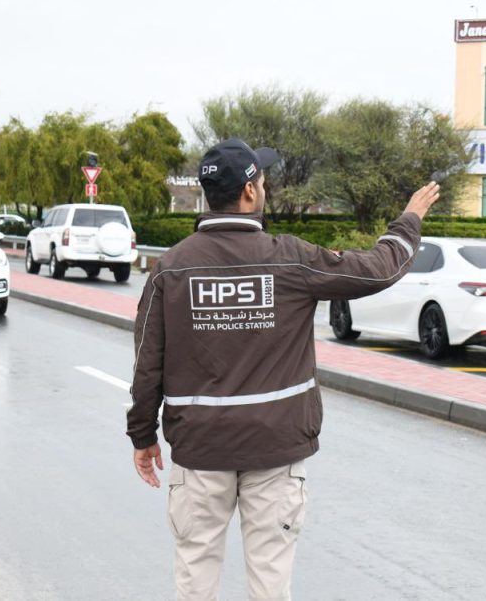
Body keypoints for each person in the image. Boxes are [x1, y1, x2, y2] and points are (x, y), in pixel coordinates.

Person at [127, 138, 439, 601]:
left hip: (199, 449)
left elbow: (147, 360)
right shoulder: (290, 259)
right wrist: (409, 219)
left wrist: (142, 434)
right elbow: (376, 269)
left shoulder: (171, 268)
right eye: (263, 180)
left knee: (195, 577)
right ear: (249, 192)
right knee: (270, 580)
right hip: (275, 449)